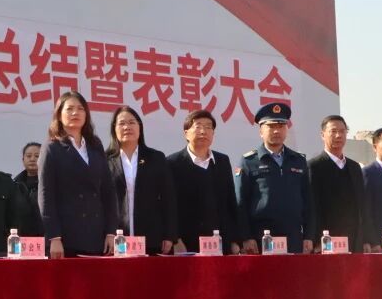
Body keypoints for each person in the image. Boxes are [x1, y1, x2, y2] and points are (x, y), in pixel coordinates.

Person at [38, 90, 118, 258]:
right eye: (69, 109)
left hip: (97, 235)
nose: (75, 113)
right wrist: (54, 237)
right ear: (59, 115)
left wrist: (111, 232)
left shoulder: (95, 145)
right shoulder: (52, 148)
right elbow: (46, 195)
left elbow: (108, 192)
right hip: (67, 237)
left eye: (81, 109)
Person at [237, 103, 315, 254]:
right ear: (261, 131)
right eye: (271, 126)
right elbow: (241, 203)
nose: (276, 131)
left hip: (293, 236)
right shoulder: (249, 161)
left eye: (281, 126)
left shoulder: (298, 160)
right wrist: (246, 237)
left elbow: (308, 201)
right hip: (261, 237)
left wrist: (309, 236)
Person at [105, 106, 179, 254]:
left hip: (152, 237)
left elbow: (168, 198)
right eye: (122, 123)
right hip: (118, 238)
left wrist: (169, 235)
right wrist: (107, 233)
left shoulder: (156, 158)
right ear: (114, 129)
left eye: (132, 122)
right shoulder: (105, 160)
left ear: (140, 128)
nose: (127, 127)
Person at [167, 109, 241, 253]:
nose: (203, 131)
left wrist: (234, 240)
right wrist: (176, 239)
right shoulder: (172, 163)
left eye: (208, 127)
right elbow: (169, 206)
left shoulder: (222, 161)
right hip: (186, 244)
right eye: (198, 126)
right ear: (186, 133)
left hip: (221, 242)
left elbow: (230, 203)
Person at [308, 115, 369, 252]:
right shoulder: (314, 166)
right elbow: (312, 207)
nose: (338, 135)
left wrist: (366, 239)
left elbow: (362, 206)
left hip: (354, 242)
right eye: (333, 131)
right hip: (326, 242)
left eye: (342, 131)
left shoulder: (354, 167)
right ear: (323, 135)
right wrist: (316, 239)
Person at [12, 141, 43, 235]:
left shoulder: (51, 183)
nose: (32, 159)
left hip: (46, 237)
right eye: (29, 156)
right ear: (23, 160)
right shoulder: (14, 184)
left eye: (37, 156)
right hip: (20, 237)